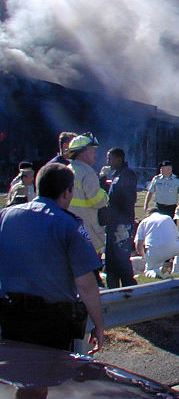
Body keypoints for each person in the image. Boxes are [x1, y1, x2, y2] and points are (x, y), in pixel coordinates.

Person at [0, 163, 104, 353]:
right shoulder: (70, 225)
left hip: (9, 316)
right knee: (52, 377)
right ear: (66, 193)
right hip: (51, 322)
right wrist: (98, 325)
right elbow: (86, 285)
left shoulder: (6, 215)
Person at [64, 133, 108, 255]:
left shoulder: (67, 170)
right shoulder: (88, 172)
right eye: (92, 150)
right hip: (86, 228)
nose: (95, 154)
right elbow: (98, 201)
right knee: (89, 265)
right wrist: (105, 193)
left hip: (68, 227)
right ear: (83, 153)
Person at [100, 148, 138, 288]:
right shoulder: (117, 175)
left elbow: (128, 200)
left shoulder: (127, 175)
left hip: (121, 225)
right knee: (111, 260)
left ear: (119, 159)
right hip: (113, 223)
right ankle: (113, 288)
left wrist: (124, 224)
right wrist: (102, 180)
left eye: (110, 159)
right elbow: (110, 195)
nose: (108, 162)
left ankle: (131, 289)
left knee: (122, 260)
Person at [134, 208, 179, 278]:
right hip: (171, 249)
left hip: (153, 252)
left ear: (148, 215)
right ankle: (176, 271)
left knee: (148, 270)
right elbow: (177, 237)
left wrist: (144, 257)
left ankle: (157, 273)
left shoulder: (144, 222)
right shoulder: (167, 218)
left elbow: (138, 244)